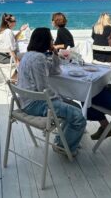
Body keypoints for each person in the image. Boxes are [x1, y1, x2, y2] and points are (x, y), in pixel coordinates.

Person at [17, 27, 86, 156]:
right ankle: (65, 147)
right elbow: (43, 89)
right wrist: (58, 98)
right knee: (79, 117)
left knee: (75, 105)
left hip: (27, 100)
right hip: (35, 104)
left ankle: (63, 141)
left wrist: (54, 53)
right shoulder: (38, 59)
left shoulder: (30, 55)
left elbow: (54, 71)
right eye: (51, 39)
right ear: (45, 40)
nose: (52, 41)